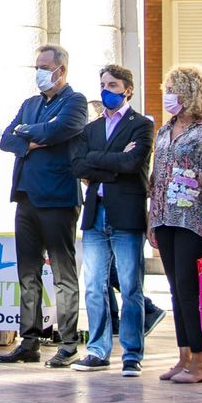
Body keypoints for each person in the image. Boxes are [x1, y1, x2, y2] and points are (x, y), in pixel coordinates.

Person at [0, 44, 88, 366]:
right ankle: (29, 340)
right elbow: (7, 138)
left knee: (63, 274)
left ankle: (67, 344)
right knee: (28, 272)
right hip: (25, 198)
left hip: (59, 198)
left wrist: (30, 135)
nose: (39, 72)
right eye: (36, 66)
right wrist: (32, 139)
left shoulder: (75, 102)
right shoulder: (30, 103)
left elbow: (62, 129)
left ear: (60, 70)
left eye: (44, 66)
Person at [70, 65, 155, 376]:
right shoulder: (90, 130)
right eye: (103, 83)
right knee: (94, 285)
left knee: (131, 286)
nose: (107, 89)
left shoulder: (141, 125)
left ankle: (132, 354)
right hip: (96, 214)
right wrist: (114, 163)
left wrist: (99, 162)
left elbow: (134, 163)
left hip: (126, 214)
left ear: (127, 89)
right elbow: (78, 165)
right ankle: (97, 350)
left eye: (113, 84)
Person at [148, 63, 202, 384]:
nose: (169, 96)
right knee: (175, 289)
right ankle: (183, 357)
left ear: (191, 93)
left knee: (189, 287)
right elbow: (157, 179)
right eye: (167, 90)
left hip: (194, 220)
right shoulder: (164, 131)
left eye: (175, 90)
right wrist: (152, 220)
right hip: (166, 217)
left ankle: (200, 360)